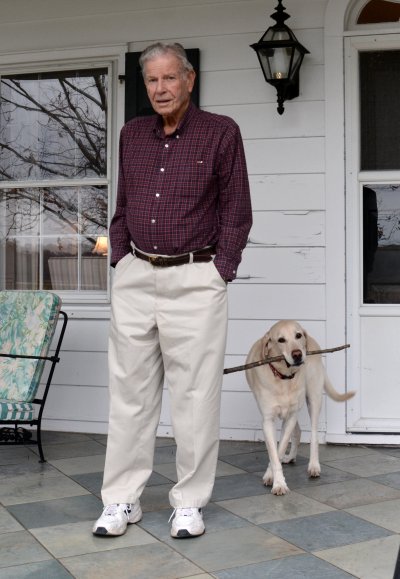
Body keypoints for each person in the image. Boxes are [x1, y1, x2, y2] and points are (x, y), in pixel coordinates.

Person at [93, 42, 252, 539]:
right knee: (129, 396)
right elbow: (122, 204)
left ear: (189, 80)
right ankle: (121, 500)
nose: (160, 89)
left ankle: (188, 502)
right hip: (137, 274)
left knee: (195, 395)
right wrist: (120, 257)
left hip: (196, 276)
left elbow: (237, 209)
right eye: (151, 81)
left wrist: (219, 270)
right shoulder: (132, 134)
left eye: (169, 79)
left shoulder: (221, 132)